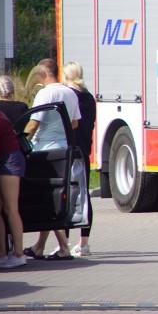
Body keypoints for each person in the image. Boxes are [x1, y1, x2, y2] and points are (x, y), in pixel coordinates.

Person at [23, 58, 81, 261]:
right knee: (53, 196)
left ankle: (64, 248)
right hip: (63, 148)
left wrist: (19, 139)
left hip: (44, 150)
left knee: (48, 199)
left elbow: (33, 124)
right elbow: (74, 123)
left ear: (43, 73)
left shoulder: (44, 93)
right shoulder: (70, 93)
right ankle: (39, 247)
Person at [61, 61, 96, 257]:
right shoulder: (89, 97)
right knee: (84, 195)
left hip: (69, 150)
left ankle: (63, 242)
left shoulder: (69, 97)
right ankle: (84, 244)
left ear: (66, 77)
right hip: (84, 149)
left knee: (66, 195)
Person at [0, 108, 27, 268]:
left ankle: (19, 253)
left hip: (10, 160)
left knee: (10, 208)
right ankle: (1, 253)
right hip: (1, 161)